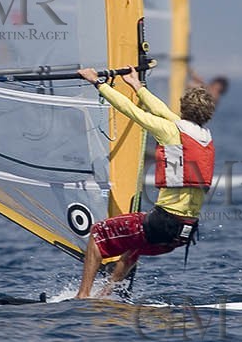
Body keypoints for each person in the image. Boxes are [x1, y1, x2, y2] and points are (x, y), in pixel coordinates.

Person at [74, 66, 216, 298]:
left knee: (98, 233)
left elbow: (130, 111)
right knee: (133, 248)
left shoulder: (170, 131)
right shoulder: (204, 137)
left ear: (183, 108)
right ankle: (104, 295)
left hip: (163, 222)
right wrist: (137, 86)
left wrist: (97, 83)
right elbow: (164, 112)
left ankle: (82, 297)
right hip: (185, 231)